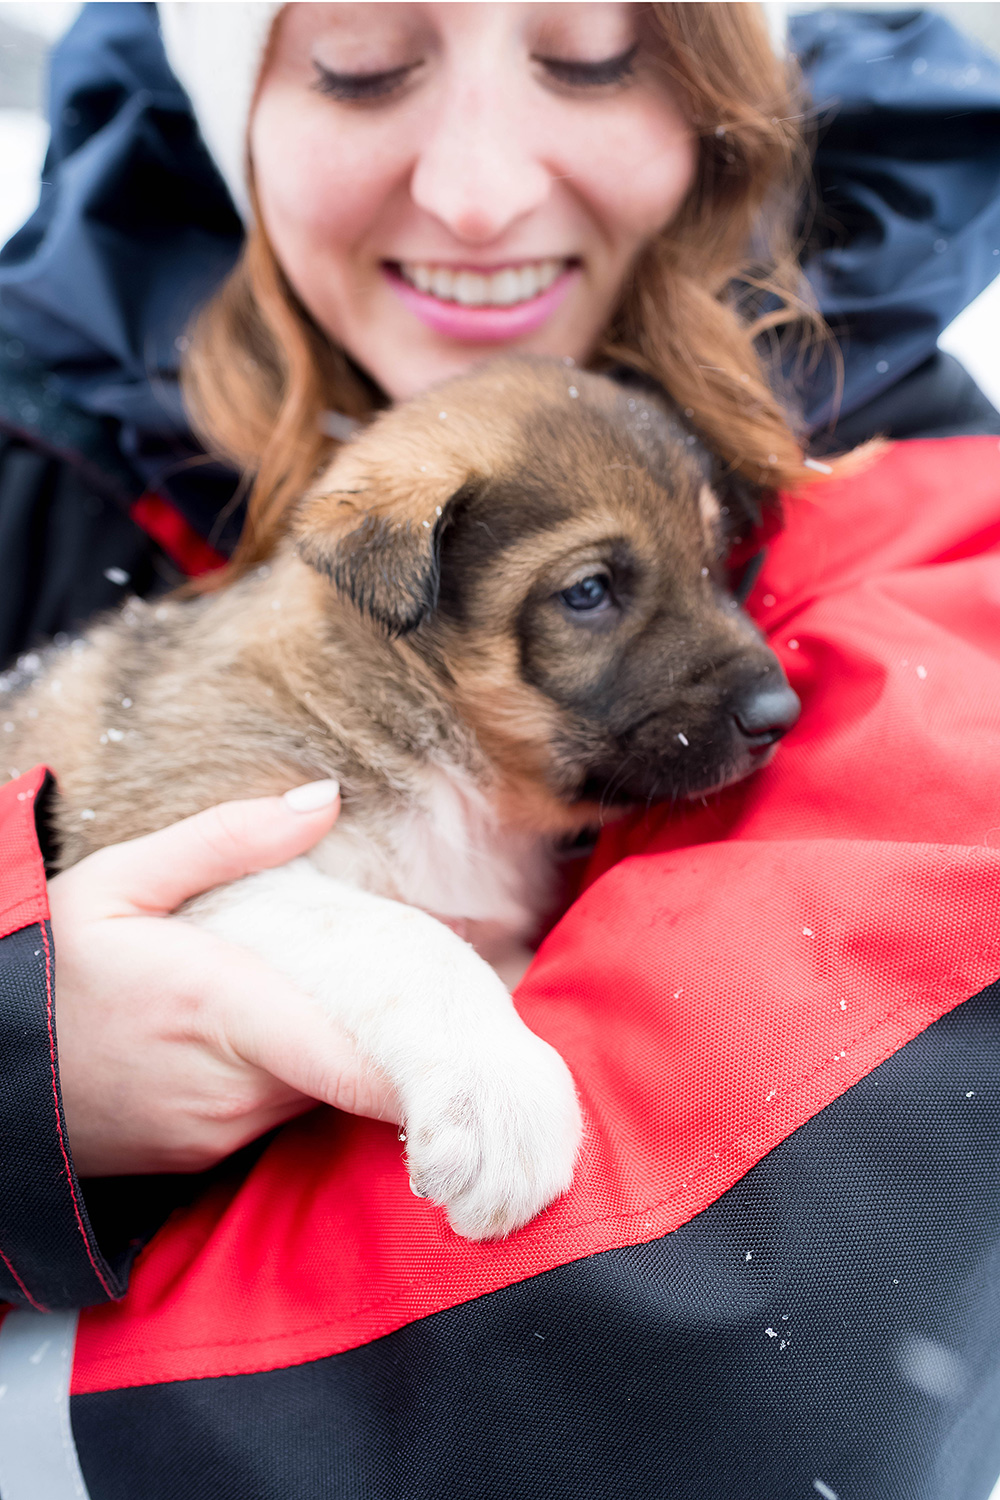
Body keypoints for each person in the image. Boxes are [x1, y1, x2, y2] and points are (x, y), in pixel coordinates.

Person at [1, 4, 999, 1495]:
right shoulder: (56, 482)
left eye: (591, 55)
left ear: (719, 95)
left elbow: (727, 1344)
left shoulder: (918, 511)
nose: (478, 192)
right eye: (359, 63)